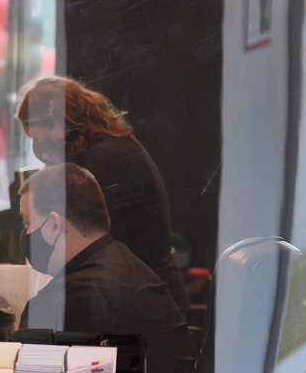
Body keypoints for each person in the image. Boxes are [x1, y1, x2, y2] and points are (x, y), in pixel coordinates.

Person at [17, 163, 197, 373]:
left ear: (54, 226)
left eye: (28, 222)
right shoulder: (125, 263)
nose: (25, 233)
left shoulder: (71, 298)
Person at [16, 75, 188, 313]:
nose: (39, 148)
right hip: (146, 292)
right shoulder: (115, 148)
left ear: (55, 124)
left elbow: (97, 244)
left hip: (138, 302)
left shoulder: (103, 163)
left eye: (36, 138)